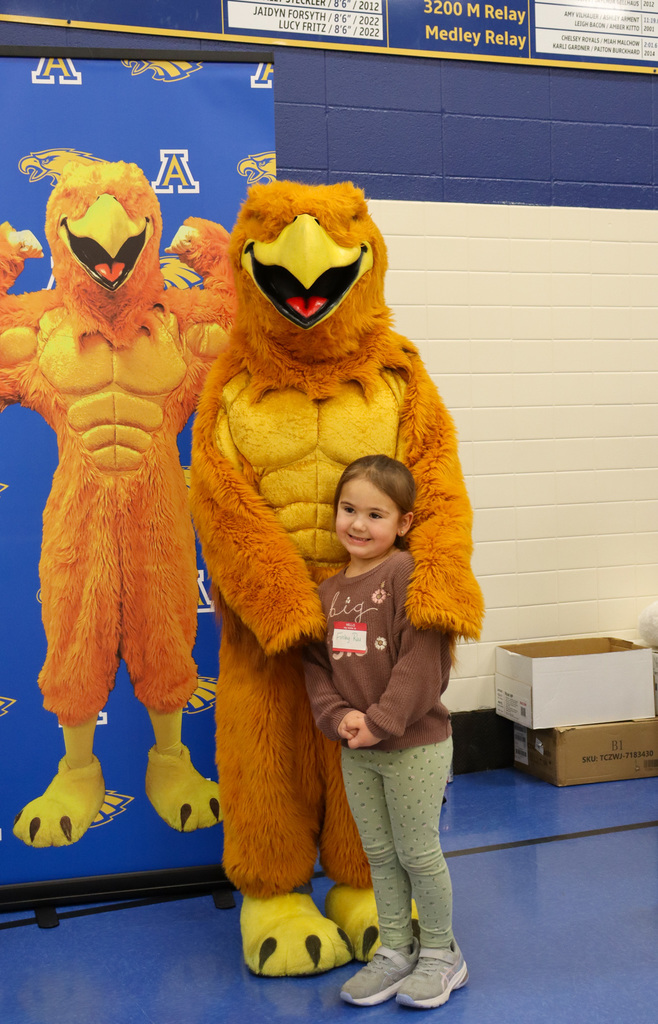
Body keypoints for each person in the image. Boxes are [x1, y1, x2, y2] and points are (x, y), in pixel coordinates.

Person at [302, 455, 468, 1010]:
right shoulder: (327, 594)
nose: (358, 524)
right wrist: (339, 718)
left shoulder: (406, 575)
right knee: (379, 854)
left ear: (403, 524)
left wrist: (380, 722)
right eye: (349, 509)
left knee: (418, 851)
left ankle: (444, 954)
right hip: (358, 749)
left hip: (414, 746)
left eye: (375, 514)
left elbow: (423, 662)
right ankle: (396, 950)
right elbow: (317, 668)